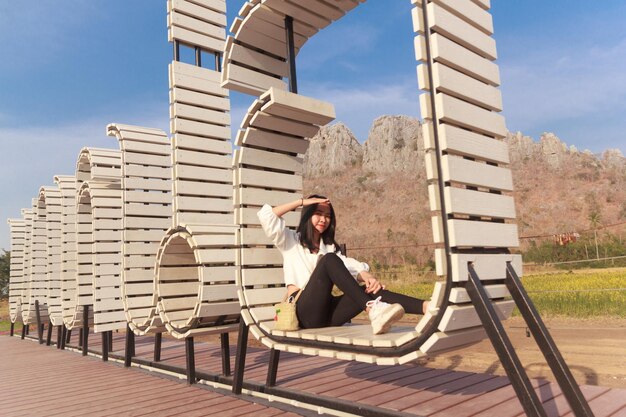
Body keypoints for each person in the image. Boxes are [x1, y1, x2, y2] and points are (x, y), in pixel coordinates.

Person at [257, 194, 429, 335]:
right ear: (308, 215)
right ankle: (373, 310)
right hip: (302, 313)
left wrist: (368, 277)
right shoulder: (290, 240)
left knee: (368, 290)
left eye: (328, 216)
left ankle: (427, 307)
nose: (323, 219)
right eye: (318, 213)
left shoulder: (329, 248)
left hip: (327, 315)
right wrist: (302, 202)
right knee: (329, 260)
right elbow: (266, 216)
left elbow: (353, 266)